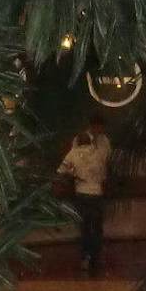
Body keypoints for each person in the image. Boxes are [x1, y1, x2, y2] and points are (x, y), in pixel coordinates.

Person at [56, 117, 112, 276]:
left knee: (85, 227)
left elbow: (61, 171)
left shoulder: (74, 153)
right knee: (97, 227)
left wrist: (73, 174)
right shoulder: (99, 155)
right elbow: (105, 173)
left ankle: (85, 257)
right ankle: (96, 257)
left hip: (81, 194)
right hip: (97, 194)